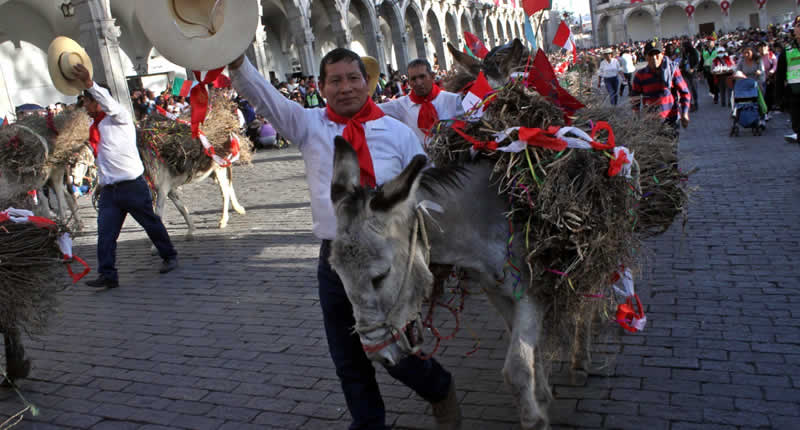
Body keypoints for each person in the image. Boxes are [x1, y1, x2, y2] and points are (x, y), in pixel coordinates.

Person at [227, 49, 461, 430]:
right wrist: (236, 61)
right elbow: (264, 96)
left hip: (388, 260)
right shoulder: (308, 125)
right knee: (348, 357)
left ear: (365, 82)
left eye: (353, 78)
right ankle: (369, 424)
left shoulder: (397, 132)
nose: (345, 87)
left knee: (392, 349)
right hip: (335, 261)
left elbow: (429, 190)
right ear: (321, 87)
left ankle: (438, 386)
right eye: (334, 80)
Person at [71, 63, 178, 289]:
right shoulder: (95, 126)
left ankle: (169, 255)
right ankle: (108, 274)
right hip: (110, 190)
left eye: (88, 102)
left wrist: (90, 83)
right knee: (105, 234)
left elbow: (109, 103)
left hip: (132, 186)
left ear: (98, 100)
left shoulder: (118, 116)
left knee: (150, 223)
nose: (86, 108)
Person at [377, 58, 463, 146]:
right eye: (413, 79)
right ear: (409, 82)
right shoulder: (401, 105)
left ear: (432, 76)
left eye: (422, 77)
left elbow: (464, 131)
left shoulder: (452, 100)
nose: (418, 82)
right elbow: (371, 109)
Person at [630, 40, 691, 130]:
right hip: (651, 121)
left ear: (662, 54)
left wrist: (684, 112)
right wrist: (636, 115)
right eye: (651, 55)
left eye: (657, 54)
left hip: (671, 120)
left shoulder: (672, 71)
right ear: (645, 57)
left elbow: (684, 92)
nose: (654, 58)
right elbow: (635, 97)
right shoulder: (640, 75)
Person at [777, 15, 800, 143]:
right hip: (796, 96)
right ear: (794, 30)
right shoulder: (787, 51)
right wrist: (779, 98)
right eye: (799, 26)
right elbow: (780, 76)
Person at [680, 40, 701, 112]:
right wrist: (681, 66)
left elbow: (698, 63)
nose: (682, 48)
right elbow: (683, 61)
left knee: (694, 89)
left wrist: (693, 69)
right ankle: (690, 104)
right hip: (685, 73)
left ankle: (696, 103)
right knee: (688, 89)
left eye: (683, 46)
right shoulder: (684, 53)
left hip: (693, 73)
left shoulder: (694, 52)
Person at [702, 39, 719, 104]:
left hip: (715, 68)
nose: (708, 43)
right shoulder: (704, 50)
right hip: (707, 68)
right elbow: (702, 60)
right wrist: (699, 70)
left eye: (710, 42)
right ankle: (712, 91)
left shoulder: (716, 49)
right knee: (710, 83)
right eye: (707, 42)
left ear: (713, 43)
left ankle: (716, 97)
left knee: (715, 83)